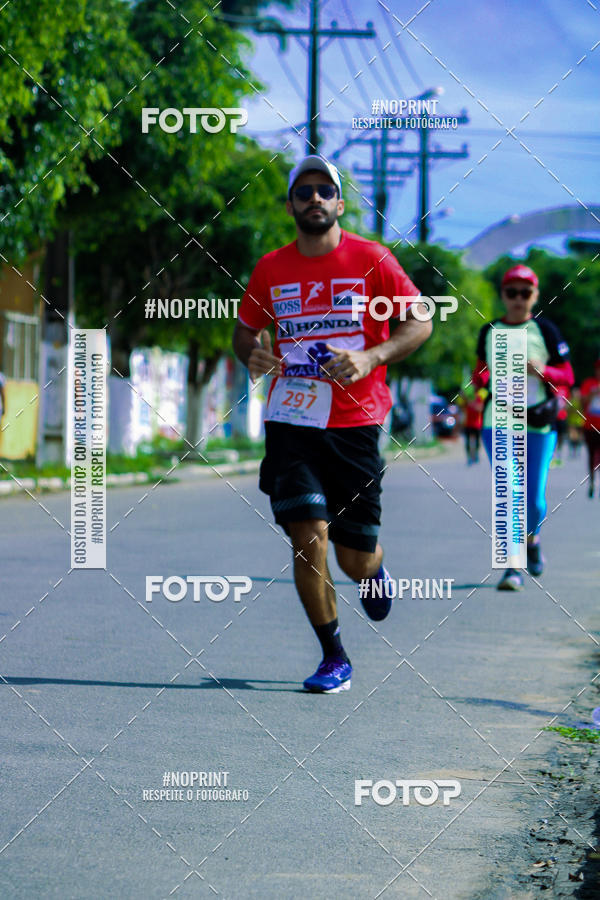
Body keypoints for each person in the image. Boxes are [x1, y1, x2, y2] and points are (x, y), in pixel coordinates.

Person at [232, 155, 431, 692]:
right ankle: (333, 656)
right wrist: (252, 353)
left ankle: (375, 569)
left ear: (340, 204)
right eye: (304, 191)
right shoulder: (270, 268)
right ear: (291, 205)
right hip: (291, 421)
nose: (314, 198)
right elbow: (246, 331)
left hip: (355, 423)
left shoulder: (373, 258)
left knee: (354, 557)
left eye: (325, 191)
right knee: (307, 535)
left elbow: (420, 320)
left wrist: (372, 356)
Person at [472, 264, 574, 590]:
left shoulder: (545, 331)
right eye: (511, 292)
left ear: (535, 295)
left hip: (539, 424)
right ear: (503, 295)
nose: (518, 299)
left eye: (525, 292)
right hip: (497, 421)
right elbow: (479, 374)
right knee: (510, 494)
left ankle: (533, 540)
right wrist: (482, 386)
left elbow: (568, 376)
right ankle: (511, 567)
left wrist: (542, 371)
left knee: (535, 500)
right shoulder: (489, 331)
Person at [580, 359, 600, 497]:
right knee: (592, 455)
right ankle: (592, 482)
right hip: (590, 426)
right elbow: (582, 403)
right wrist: (593, 393)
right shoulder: (589, 383)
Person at [459, 386, 484, 464]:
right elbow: (461, 406)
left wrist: (471, 404)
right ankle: (469, 457)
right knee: (467, 442)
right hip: (467, 423)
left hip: (477, 424)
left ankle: (476, 455)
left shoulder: (478, 398)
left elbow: (480, 408)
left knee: (477, 442)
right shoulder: (466, 400)